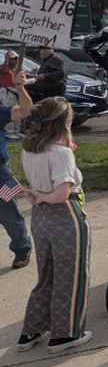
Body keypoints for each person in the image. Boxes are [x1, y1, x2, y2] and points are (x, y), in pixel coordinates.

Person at [16, 96, 92, 354]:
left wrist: (38, 196)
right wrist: (45, 196)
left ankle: (31, 330)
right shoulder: (61, 154)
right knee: (70, 275)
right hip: (65, 215)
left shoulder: (29, 149)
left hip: (40, 218)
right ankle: (65, 334)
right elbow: (61, 194)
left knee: (46, 274)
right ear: (64, 121)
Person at [0, 68, 34, 269]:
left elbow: (25, 110)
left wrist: (20, 88)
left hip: (0, 175)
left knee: (9, 212)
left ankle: (22, 248)